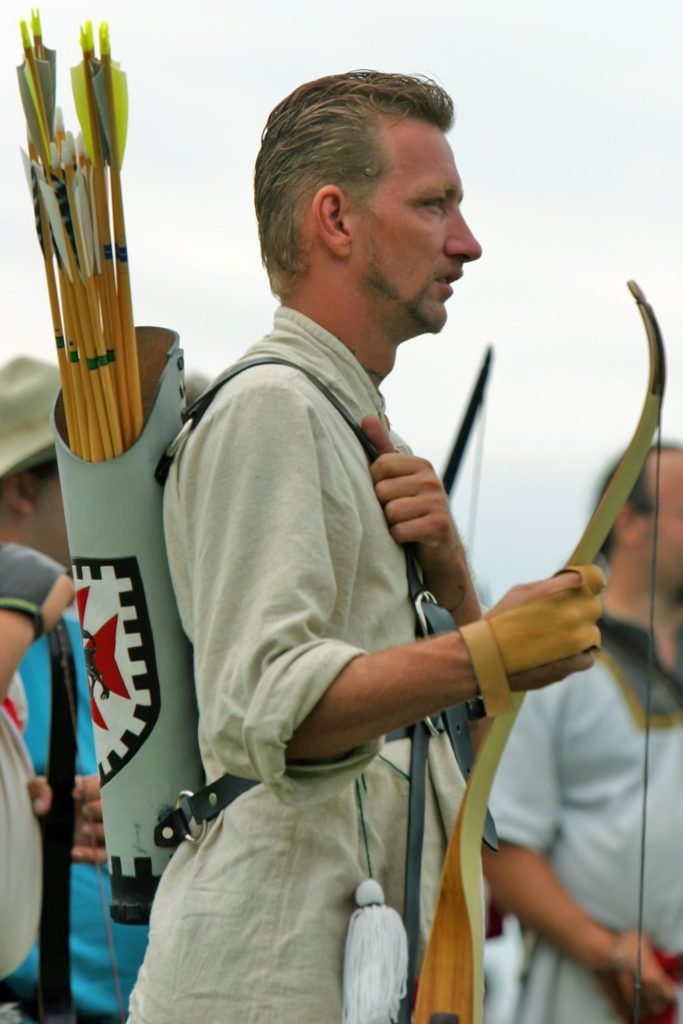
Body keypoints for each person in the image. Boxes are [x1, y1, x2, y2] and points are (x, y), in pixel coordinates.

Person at [128, 71, 604, 1023]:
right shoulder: (270, 409)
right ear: (335, 221)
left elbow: (463, 779)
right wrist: (491, 649)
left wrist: (458, 592)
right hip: (265, 988)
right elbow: (269, 709)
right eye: (434, 205)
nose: (465, 244)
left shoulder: (346, 426)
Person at [485, 445, 683, 1024]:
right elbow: (502, 839)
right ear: (628, 521)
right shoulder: (558, 658)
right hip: (579, 991)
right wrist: (608, 952)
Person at [0, 356, 149, 1023]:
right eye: (79, 464)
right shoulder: (33, 604)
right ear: (22, 491)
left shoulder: (99, 609)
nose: (105, 484)